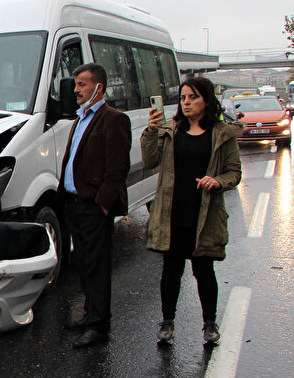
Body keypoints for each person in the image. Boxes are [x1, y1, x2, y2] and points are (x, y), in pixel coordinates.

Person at [141, 77, 242, 346]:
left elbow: (234, 172)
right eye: (183, 98)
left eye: (193, 97)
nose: (186, 102)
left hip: (204, 213)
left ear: (206, 101)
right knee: (171, 270)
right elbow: (150, 160)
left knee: (204, 270)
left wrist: (218, 181)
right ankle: (167, 323)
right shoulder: (170, 129)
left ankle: (210, 324)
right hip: (172, 212)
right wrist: (151, 131)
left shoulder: (222, 134)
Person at [59, 63, 131, 348]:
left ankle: (99, 326)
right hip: (74, 205)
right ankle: (90, 315)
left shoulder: (113, 119)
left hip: (93, 207)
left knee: (98, 267)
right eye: (76, 84)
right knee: (84, 264)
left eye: (82, 84)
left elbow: (117, 170)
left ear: (98, 87)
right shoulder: (80, 118)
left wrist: (102, 205)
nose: (76, 90)